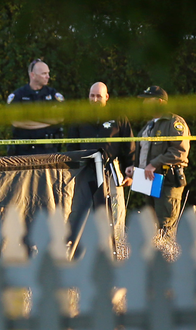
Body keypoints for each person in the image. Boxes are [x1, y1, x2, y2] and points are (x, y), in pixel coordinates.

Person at [65, 82, 134, 252]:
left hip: (111, 171)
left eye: (98, 96)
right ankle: (76, 249)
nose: (95, 99)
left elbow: (129, 146)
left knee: (116, 212)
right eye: (92, 96)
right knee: (80, 211)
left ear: (107, 97)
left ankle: (117, 250)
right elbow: (71, 147)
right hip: (85, 172)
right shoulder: (79, 117)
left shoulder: (119, 117)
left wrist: (131, 169)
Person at [126, 85, 190, 236]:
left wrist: (154, 164)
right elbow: (144, 152)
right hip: (150, 182)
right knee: (151, 227)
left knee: (165, 227)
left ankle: (169, 259)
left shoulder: (174, 122)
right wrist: (134, 170)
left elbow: (179, 151)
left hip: (167, 182)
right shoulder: (149, 125)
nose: (144, 104)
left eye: (148, 100)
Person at [6, 59, 64, 156]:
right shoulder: (19, 95)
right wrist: (46, 121)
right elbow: (15, 121)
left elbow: (59, 118)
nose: (48, 76)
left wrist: (29, 120)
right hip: (23, 153)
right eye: (44, 73)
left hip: (49, 152)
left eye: (48, 73)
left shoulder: (53, 95)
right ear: (33, 75)